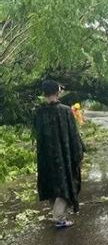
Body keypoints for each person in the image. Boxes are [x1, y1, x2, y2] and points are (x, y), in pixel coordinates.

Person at [34, 80, 84, 228]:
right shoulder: (65, 110)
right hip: (63, 156)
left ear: (44, 93)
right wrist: (78, 153)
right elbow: (73, 135)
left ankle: (57, 214)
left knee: (51, 184)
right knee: (65, 184)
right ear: (57, 92)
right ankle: (59, 217)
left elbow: (38, 135)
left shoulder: (39, 113)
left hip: (45, 155)